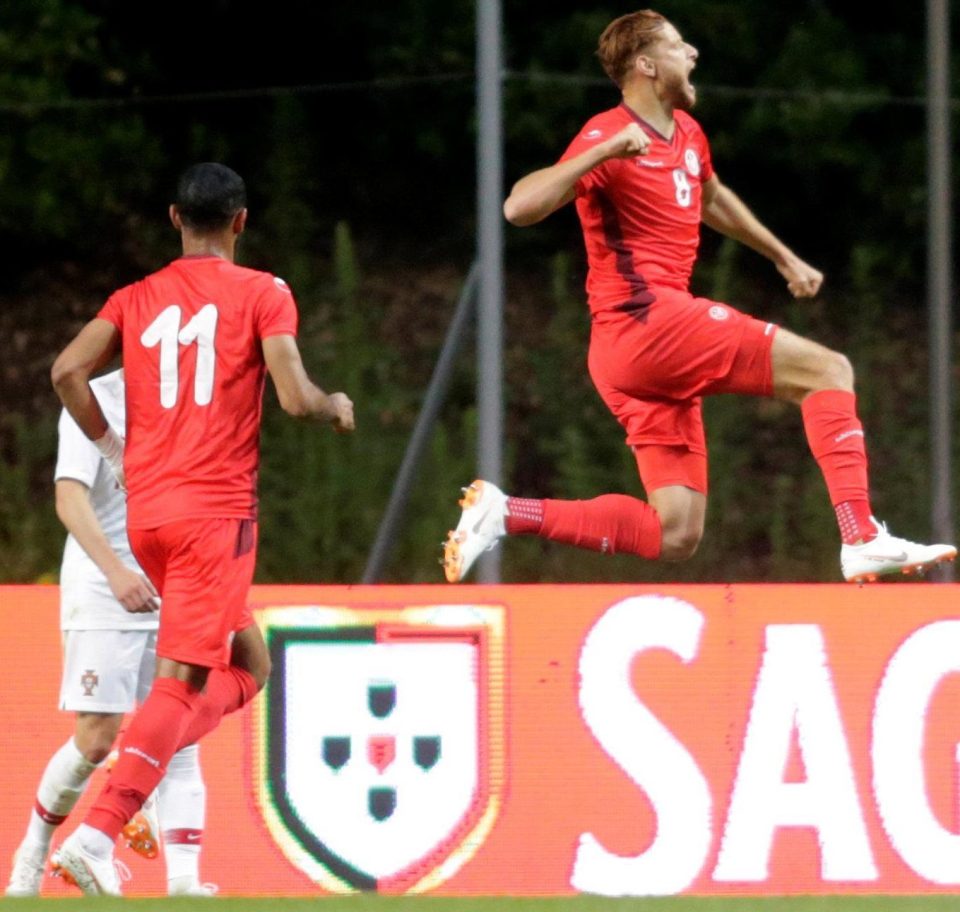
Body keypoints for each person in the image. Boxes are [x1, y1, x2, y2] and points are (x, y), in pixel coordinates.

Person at [442, 9, 955, 584]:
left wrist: (781, 255)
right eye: (679, 46)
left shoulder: (686, 134)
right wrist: (599, 154)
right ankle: (860, 536)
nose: (693, 55)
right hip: (645, 323)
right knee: (827, 370)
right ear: (646, 64)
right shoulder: (606, 133)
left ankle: (507, 512)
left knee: (676, 533)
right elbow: (519, 206)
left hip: (634, 356)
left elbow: (711, 198)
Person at [48, 162, 355, 895]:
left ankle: (139, 767)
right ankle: (97, 833)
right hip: (212, 515)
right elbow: (291, 395)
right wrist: (331, 403)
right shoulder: (263, 293)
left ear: (174, 219)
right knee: (183, 684)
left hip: (149, 517)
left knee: (251, 662)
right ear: (242, 222)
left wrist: (113, 449)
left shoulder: (134, 298)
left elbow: (66, 372)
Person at [6, 369, 214, 898]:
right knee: (97, 739)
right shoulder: (95, 398)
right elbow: (68, 498)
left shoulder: (194, 397)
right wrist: (118, 573)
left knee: (180, 733)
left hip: (175, 587)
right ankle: (32, 851)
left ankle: (185, 885)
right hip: (105, 587)